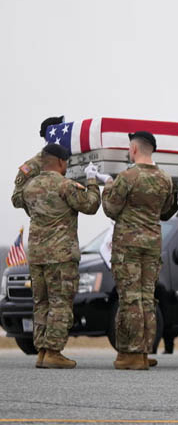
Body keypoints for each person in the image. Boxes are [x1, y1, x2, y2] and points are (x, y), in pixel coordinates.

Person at [100, 131, 178, 370]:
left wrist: (107, 186)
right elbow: (167, 211)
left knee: (130, 298)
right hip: (152, 245)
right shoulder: (166, 179)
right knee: (147, 298)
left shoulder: (126, 177)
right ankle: (144, 351)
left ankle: (131, 353)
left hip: (128, 247)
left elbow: (111, 209)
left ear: (133, 149)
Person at [20, 143, 100, 368]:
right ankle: (54, 351)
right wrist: (92, 181)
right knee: (60, 303)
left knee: (41, 303)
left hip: (36, 256)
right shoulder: (65, 186)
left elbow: (23, 204)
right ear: (62, 162)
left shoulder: (30, 187)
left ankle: (43, 351)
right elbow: (91, 205)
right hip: (60, 256)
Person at [11, 115, 65, 214]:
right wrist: (42, 197)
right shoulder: (32, 165)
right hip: (42, 224)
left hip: (67, 225)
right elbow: (16, 198)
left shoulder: (66, 160)